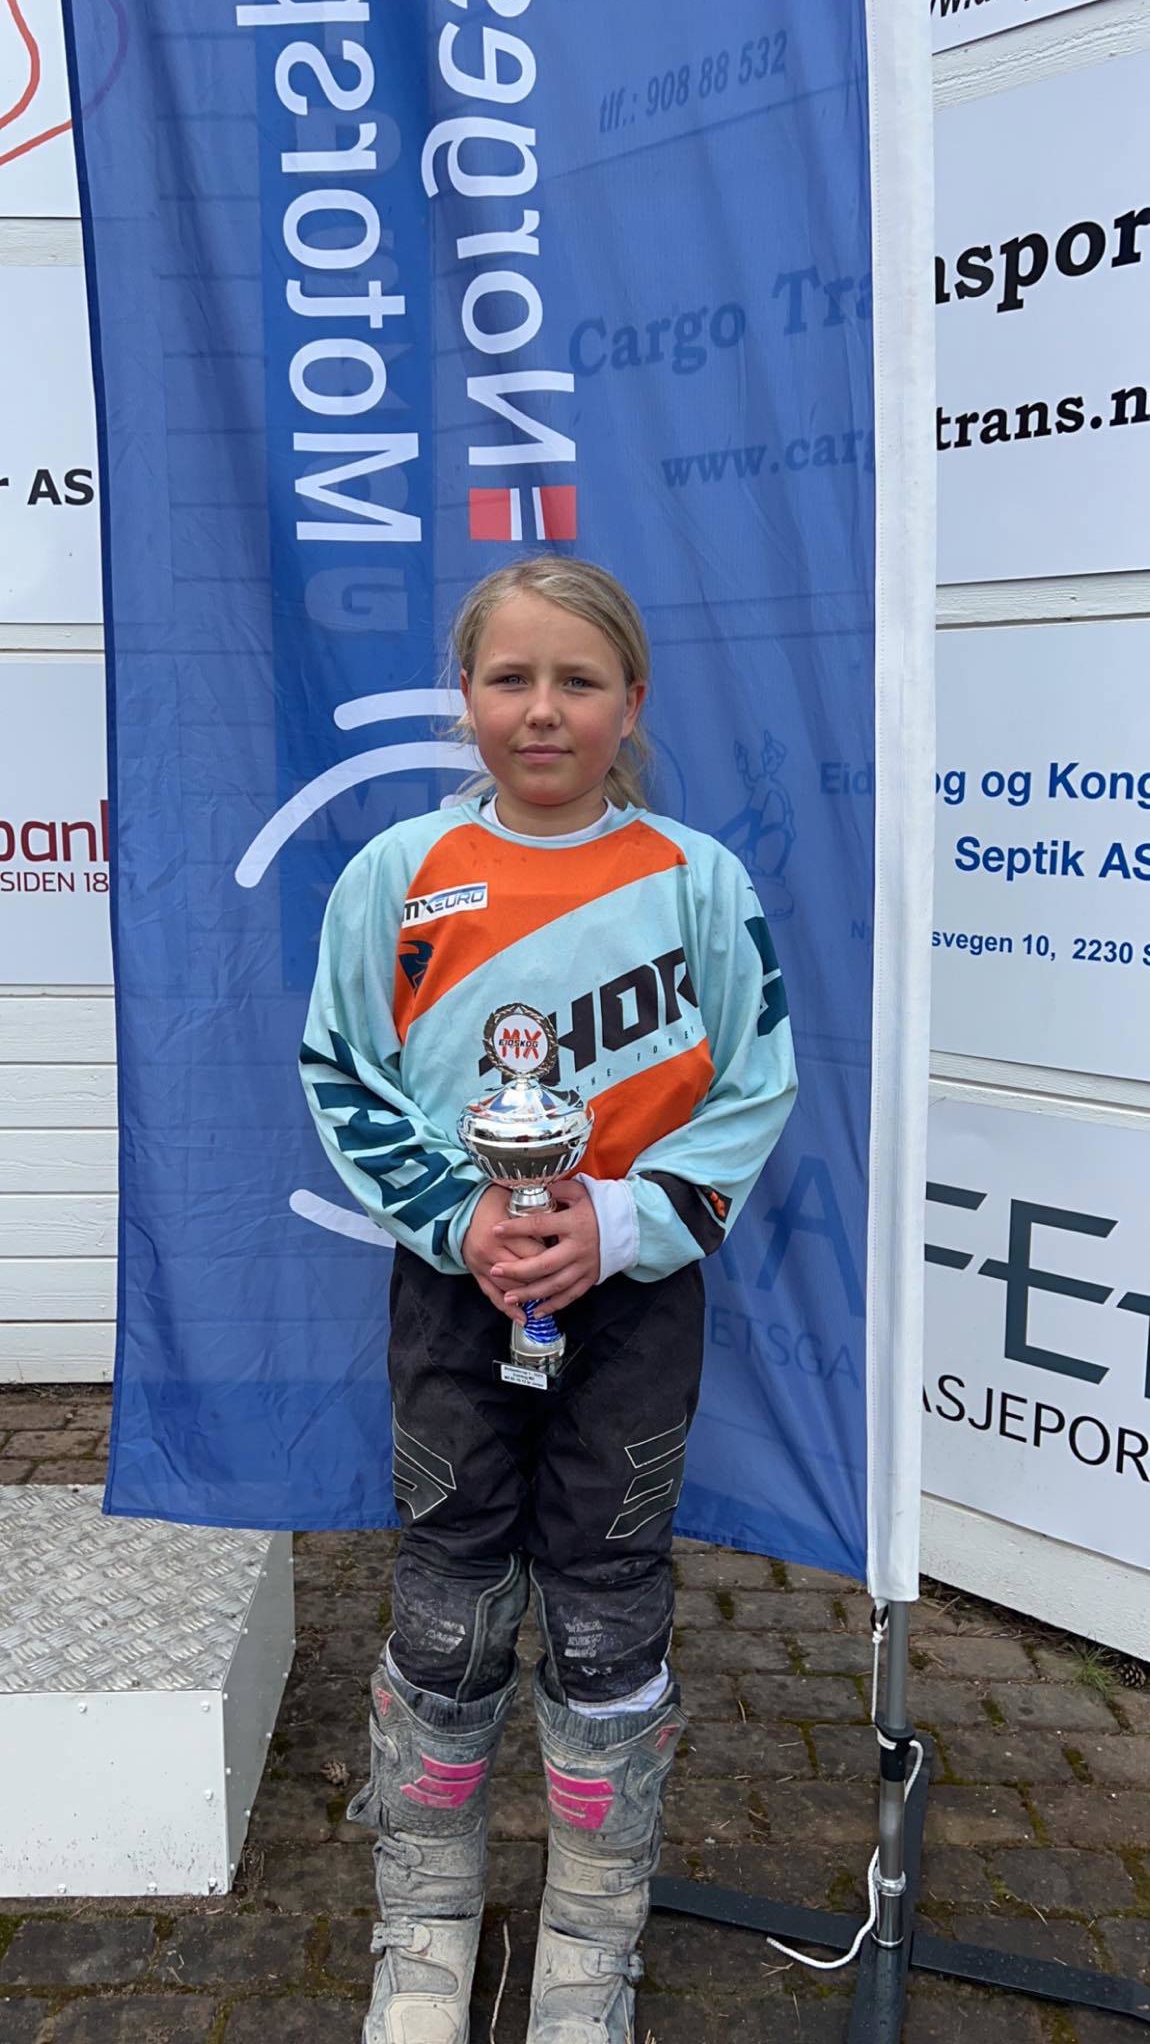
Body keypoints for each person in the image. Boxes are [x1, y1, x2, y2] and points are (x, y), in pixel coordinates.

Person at [300, 556, 798, 2044]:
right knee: (449, 1610)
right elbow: (343, 1071)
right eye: (510, 678)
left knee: (604, 1617)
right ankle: (424, 1928)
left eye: (577, 681)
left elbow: (754, 1084)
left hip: (633, 1298)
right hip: (455, 1291)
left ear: (629, 702)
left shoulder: (697, 879)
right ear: (464, 696)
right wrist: (462, 1217)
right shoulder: (397, 873)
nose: (541, 710)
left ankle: (591, 1943)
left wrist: (619, 1221)